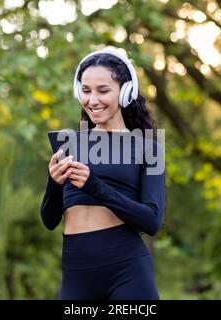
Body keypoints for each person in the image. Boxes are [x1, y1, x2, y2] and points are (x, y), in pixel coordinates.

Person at [39, 47, 166, 300]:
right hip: (76, 273)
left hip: (128, 271)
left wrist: (94, 186)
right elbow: (50, 220)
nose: (93, 100)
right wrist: (54, 183)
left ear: (125, 91)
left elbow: (152, 221)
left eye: (103, 90)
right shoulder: (69, 144)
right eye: (86, 91)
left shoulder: (149, 147)